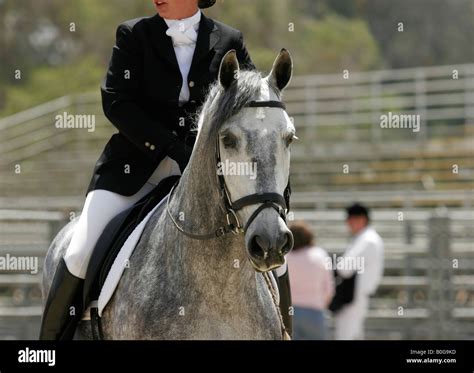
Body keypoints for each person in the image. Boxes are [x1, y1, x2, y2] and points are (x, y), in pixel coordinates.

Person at [40, 0, 257, 340]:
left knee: (275, 253)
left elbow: (251, 101)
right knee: (80, 250)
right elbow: (116, 100)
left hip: (208, 177)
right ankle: (47, 349)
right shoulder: (134, 34)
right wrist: (173, 148)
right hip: (134, 168)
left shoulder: (230, 40)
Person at [333, 203, 384, 340]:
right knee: (353, 334)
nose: (348, 223)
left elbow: (344, 269)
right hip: (357, 295)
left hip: (354, 296)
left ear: (361, 219)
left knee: (346, 335)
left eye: (350, 219)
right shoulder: (368, 238)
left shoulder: (367, 240)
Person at [287, 221, 334, 340]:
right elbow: (329, 290)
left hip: (290, 313)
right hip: (315, 312)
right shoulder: (320, 255)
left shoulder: (285, 258)